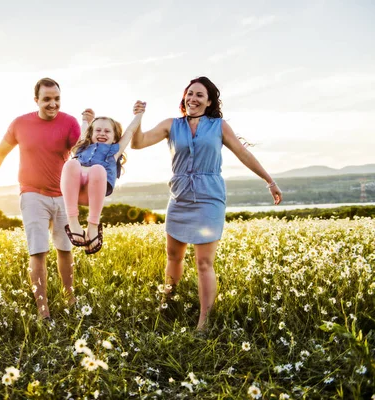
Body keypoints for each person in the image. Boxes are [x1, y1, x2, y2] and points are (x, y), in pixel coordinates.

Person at [131, 76, 282, 330]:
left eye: (200, 95)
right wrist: (137, 118)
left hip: (209, 197)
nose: (193, 99)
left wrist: (269, 180)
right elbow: (138, 143)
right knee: (173, 257)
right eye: (190, 94)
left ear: (209, 101)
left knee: (203, 262)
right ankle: (167, 305)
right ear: (184, 97)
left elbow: (243, 153)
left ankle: (204, 322)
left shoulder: (219, 126)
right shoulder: (171, 125)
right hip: (179, 197)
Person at [0, 77, 81, 320]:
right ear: (36, 100)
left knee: (65, 249)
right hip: (32, 194)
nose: (52, 104)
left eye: (56, 99)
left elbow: (82, 157)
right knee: (38, 251)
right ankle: (43, 311)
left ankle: (70, 299)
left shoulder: (70, 123)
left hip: (63, 196)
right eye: (47, 99)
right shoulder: (20, 124)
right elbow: (0, 153)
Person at [60, 101, 146, 254]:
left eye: (107, 131)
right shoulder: (82, 148)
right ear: (91, 135)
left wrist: (139, 114)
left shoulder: (114, 150)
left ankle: (93, 225)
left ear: (114, 138)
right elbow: (85, 131)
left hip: (94, 193)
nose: (102, 133)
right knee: (71, 164)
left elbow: (130, 131)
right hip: (75, 192)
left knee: (98, 169)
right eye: (98, 130)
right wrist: (86, 120)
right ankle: (73, 221)